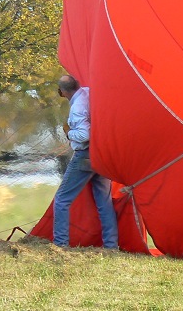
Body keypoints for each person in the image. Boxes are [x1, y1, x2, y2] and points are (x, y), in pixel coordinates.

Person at [53, 75, 118, 249]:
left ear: (62, 91)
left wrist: (68, 133)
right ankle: (111, 246)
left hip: (85, 156)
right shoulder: (88, 93)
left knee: (61, 200)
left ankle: (60, 245)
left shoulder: (76, 109)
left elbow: (84, 135)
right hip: (101, 154)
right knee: (104, 202)